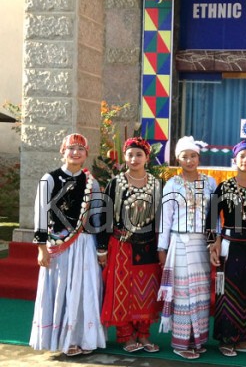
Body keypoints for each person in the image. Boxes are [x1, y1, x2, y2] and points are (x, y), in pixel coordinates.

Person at [29, 133, 106, 356]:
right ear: (62, 151)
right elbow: (40, 215)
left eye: (80, 149)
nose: (75, 152)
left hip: (85, 245)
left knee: (84, 290)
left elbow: (98, 218)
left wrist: (101, 249)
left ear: (86, 154)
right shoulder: (50, 179)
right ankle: (64, 340)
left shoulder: (92, 182)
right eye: (71, 148)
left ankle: (84, 338)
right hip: (58, 245)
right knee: (62, 290)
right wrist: (41, 248)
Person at [97, 137, 162, 353]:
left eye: (139, 155)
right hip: (121, 244)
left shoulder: (155, 183)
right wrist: (102, 248)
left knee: (146, 291)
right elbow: (105, 216)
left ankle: (143, 335)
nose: (134, 159)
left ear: (147, 158)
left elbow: (160, 218)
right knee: (122, 290)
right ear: (124, 157)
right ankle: (126, 336)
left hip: (148, 245)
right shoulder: (116, 183)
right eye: (130, 154)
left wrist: (162, 247)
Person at [157, 136, 216, 359]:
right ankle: (181, 342)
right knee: (183, 294)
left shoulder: (210, 183)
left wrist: (214, 243)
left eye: (193, 156)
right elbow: (166, 218)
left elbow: (214, 218)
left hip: (201, 244)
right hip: (179, 244)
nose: (189, 160)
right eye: (184, 157)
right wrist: (162, 248)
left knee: (200, 292)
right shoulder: (172, 184)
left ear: (199, 158)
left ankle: (198, 339)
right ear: (178, 159)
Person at [207, 140, 246, 357]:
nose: (245, 160)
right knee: (226, 292)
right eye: (241, 156)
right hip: (229, 245)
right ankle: (226, 339)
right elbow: (211, 216)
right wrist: (212, 243)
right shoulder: (224, 187)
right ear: (235, 160)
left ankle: (244, 339)